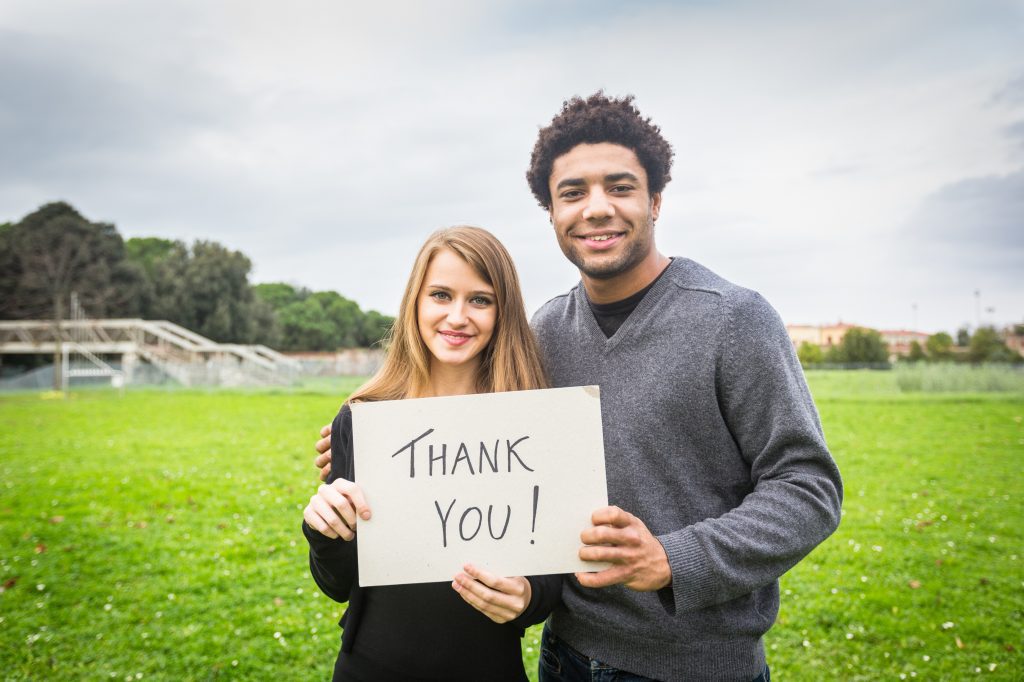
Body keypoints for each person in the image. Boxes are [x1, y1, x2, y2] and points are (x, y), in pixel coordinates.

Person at [316, 93, 843, 682]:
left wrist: (672, 559)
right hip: (563, 656)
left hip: (692, 666)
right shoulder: (543, 332)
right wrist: (374, 449)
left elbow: (807, 486)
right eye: (573, 192)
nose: (596, 208)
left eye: (619, 187)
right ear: (551, 213)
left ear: (656, 200)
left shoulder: (734, 319)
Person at [302, 226, 562, 682]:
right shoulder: (363, 418)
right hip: (370, 666)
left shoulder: (527, 424)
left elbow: (549, 574)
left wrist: (526, 597)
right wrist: (324, 530)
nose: (458, 316)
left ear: (503, 313)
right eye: (441, 295)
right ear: (415, 303)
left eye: (480, 300)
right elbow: (336, 584)